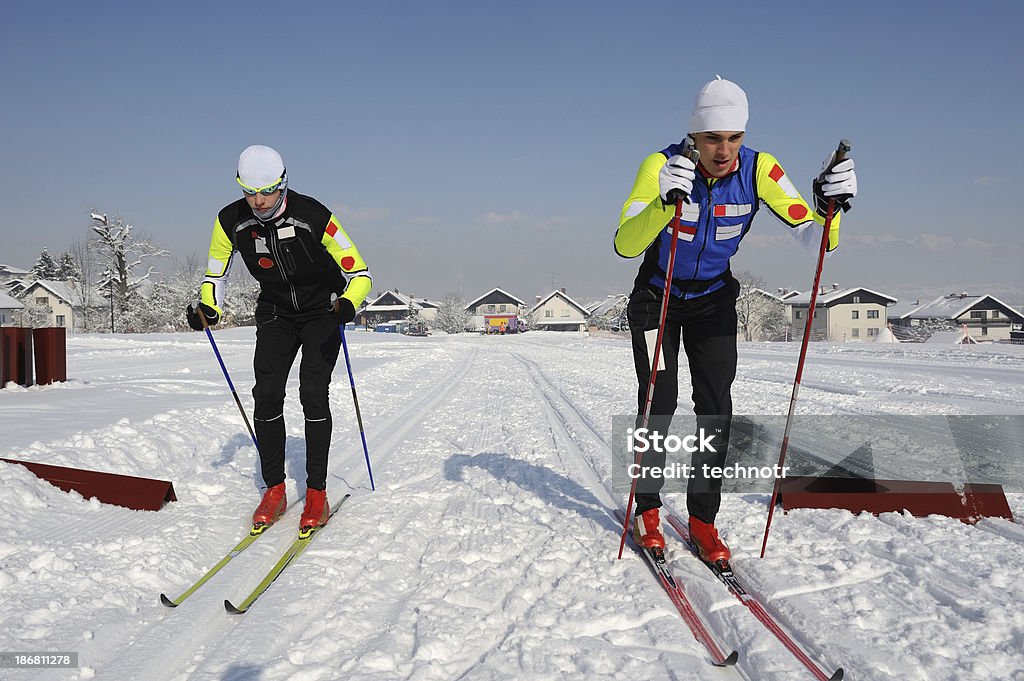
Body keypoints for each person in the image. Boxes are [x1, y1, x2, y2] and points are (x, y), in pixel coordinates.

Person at [614, 76, 856, 563]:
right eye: (711, 138)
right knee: (658, 404)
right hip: (656, 296)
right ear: (694, 136)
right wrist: (664, 203)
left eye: (734, 137)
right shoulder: (660, 165)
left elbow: (816, 240)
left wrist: (832, 209)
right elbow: (626, 243)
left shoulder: (761, 169)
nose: (723, 150)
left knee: (715, 409)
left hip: (713, 302)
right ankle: (647, 511)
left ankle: (703, 521)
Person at [186, 145, 372, 530]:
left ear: (283, 183)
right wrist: (209, 309)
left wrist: (348, 304)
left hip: (322, 309)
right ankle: (274, 488)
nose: (258, 201)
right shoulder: (229, 222)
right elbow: (215, 276)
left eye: (267, 191)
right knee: (267, 392)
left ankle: (317, 493)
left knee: (312, 392)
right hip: (275, 311)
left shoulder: (314, 215)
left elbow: (361, 274)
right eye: (250, 192)